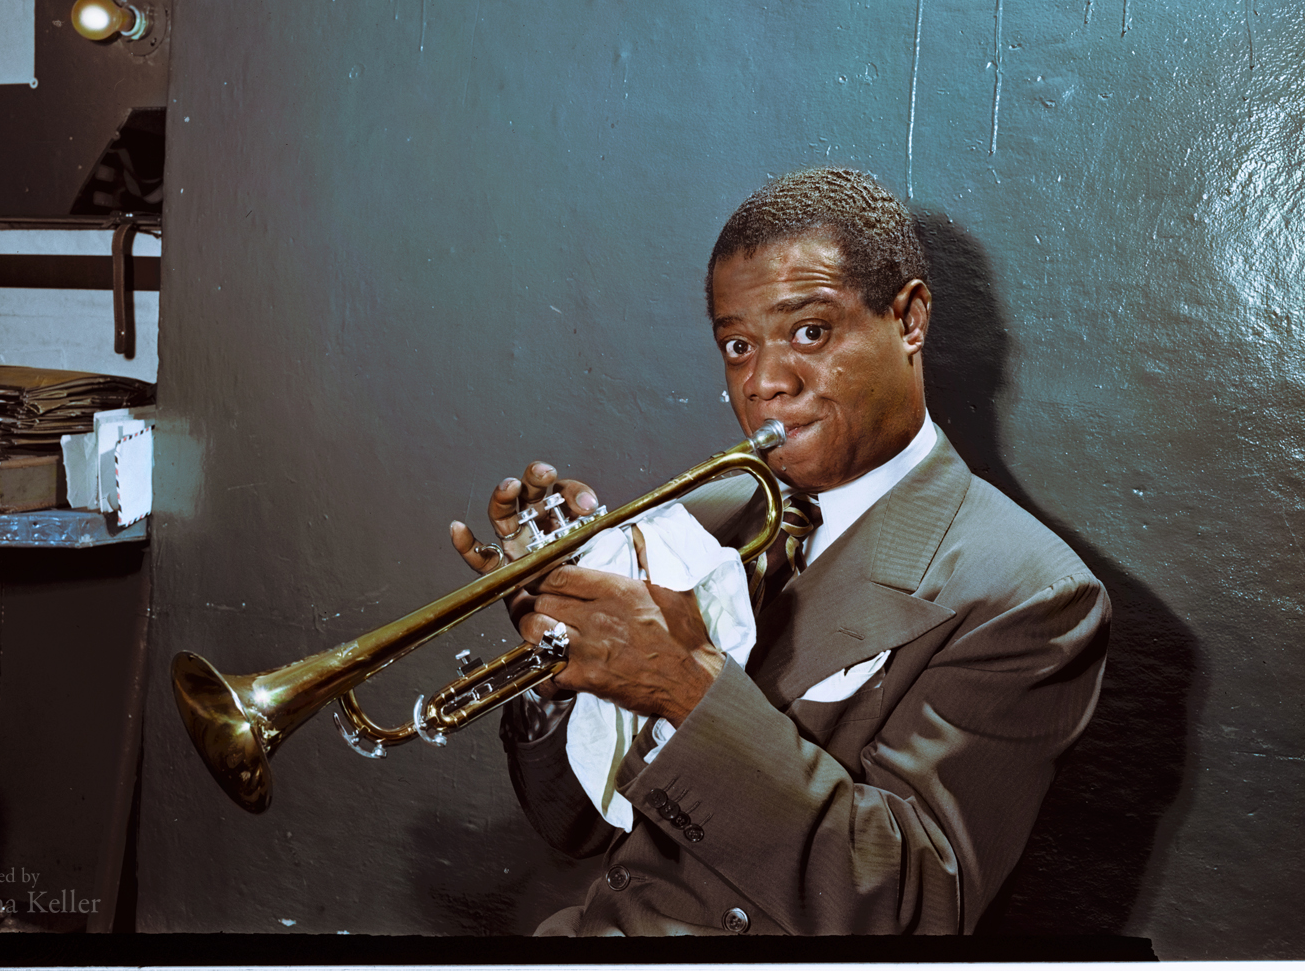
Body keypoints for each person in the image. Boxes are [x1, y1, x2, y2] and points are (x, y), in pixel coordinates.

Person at [448, 167, 1111, 936]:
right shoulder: (704, 514)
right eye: (737, 345)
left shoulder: (1029, 592)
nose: (763, 382)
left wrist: (683, 686)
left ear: (910, 320)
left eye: (810, 332)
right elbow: (577, 830)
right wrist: (569, 662)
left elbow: (912, 911)